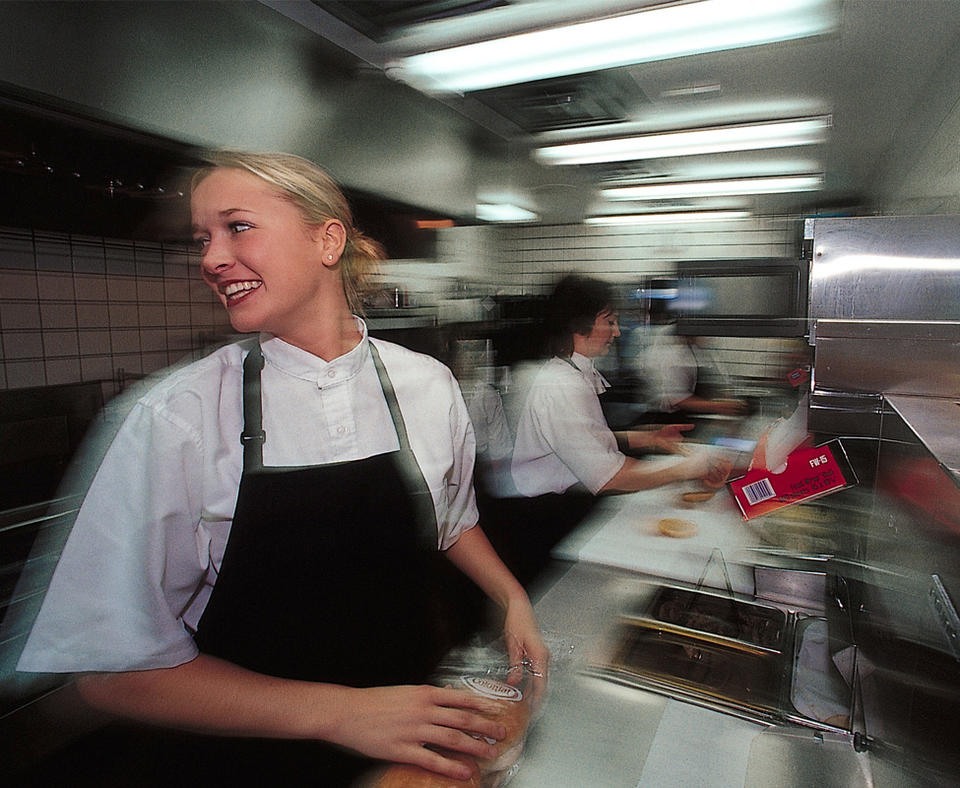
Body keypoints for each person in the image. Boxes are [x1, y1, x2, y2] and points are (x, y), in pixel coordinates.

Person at [15, 152, 546, 786]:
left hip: (407, 743)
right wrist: (342, 712)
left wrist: (511, 596)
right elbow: (109, 671)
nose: (211, 259)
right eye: (202, 238)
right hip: (250, 760)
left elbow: (452, 519)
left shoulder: (426, 384)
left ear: (327, 240)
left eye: (237, 227)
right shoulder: (176, 417)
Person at [503, 275, 733, 582]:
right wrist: (688, 468)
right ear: (580, 323)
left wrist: (647, 437)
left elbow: (580, 440)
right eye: (609, 321)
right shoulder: (560, 384)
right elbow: (610, 476)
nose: (618, 331)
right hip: (544, 520)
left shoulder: (571, 372)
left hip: (561, 507)